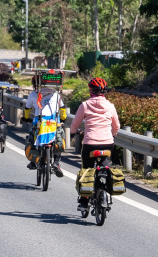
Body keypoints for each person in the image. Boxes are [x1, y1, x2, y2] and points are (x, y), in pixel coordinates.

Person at [71, 77, 121, 210]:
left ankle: (84, 201)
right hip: (107, 143)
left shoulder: (85, 105)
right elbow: (116, 126)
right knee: (105, 165)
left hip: (90, 143)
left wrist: (72, 133)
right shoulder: (110, 106)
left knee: (86, 170)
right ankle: (105, 187)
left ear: (90, 90)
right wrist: (113, 135)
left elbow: (75, 124)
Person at [24, 75, 65, 176]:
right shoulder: (55, 93)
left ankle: (33, 162)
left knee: (32, 138)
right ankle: (56, 163)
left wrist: (26, 117)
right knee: (59, 137)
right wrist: (63, 118)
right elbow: (62, 109)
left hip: (39, 122)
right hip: (54, 122)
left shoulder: (33, 94)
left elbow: (27, 109)